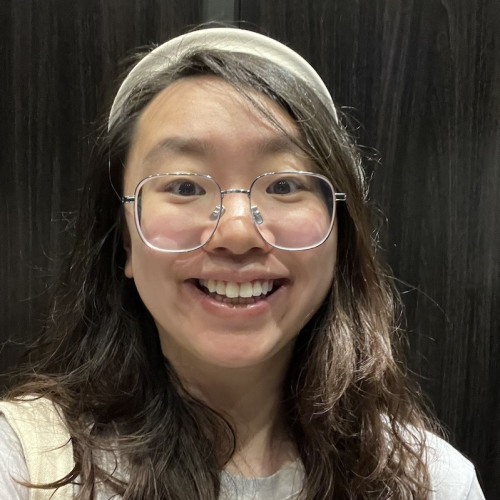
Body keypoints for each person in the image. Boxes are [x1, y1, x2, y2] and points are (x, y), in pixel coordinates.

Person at [0, 27, 485, 499]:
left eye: (283, 186)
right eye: (185, 186)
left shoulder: (430, 483)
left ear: (340, 232)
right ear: (125, 241)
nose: (237, 233)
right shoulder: (24, 462)